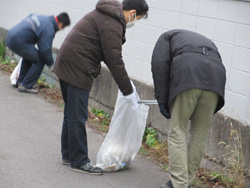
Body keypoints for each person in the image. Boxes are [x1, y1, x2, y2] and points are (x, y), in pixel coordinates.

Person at [53, 0, 149, 175]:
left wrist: (127, 87)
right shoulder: (113, 22)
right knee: (78, 116)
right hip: (77, 67)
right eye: (138, 18)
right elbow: (114, 59)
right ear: (133, 12)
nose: (134, 22)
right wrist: (128, 91)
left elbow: (107, 53)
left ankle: (69, 155)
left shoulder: (107, 15)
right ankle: (79, 161)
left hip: (67, 62)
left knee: (71, 113)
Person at [151, 29, 226, 188]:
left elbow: (159, 65)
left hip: (189, 72)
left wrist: (161, 99)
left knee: (177, 129)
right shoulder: (205, 40)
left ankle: (178, 184)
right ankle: (187, 181)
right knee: (200, 132)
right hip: (215, 79)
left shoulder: (166, 37)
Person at [6, 12, 70, 94]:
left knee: (29, 56)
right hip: (19, 41)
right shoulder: (49, 28)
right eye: (63, 28)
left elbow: (29, 17)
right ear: (61, 24)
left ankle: (20, 81)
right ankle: (26, 85)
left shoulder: (42, 18)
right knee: (41, 59)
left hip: (11, 36)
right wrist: (51, 64)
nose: (61, 29)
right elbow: (45, 50)